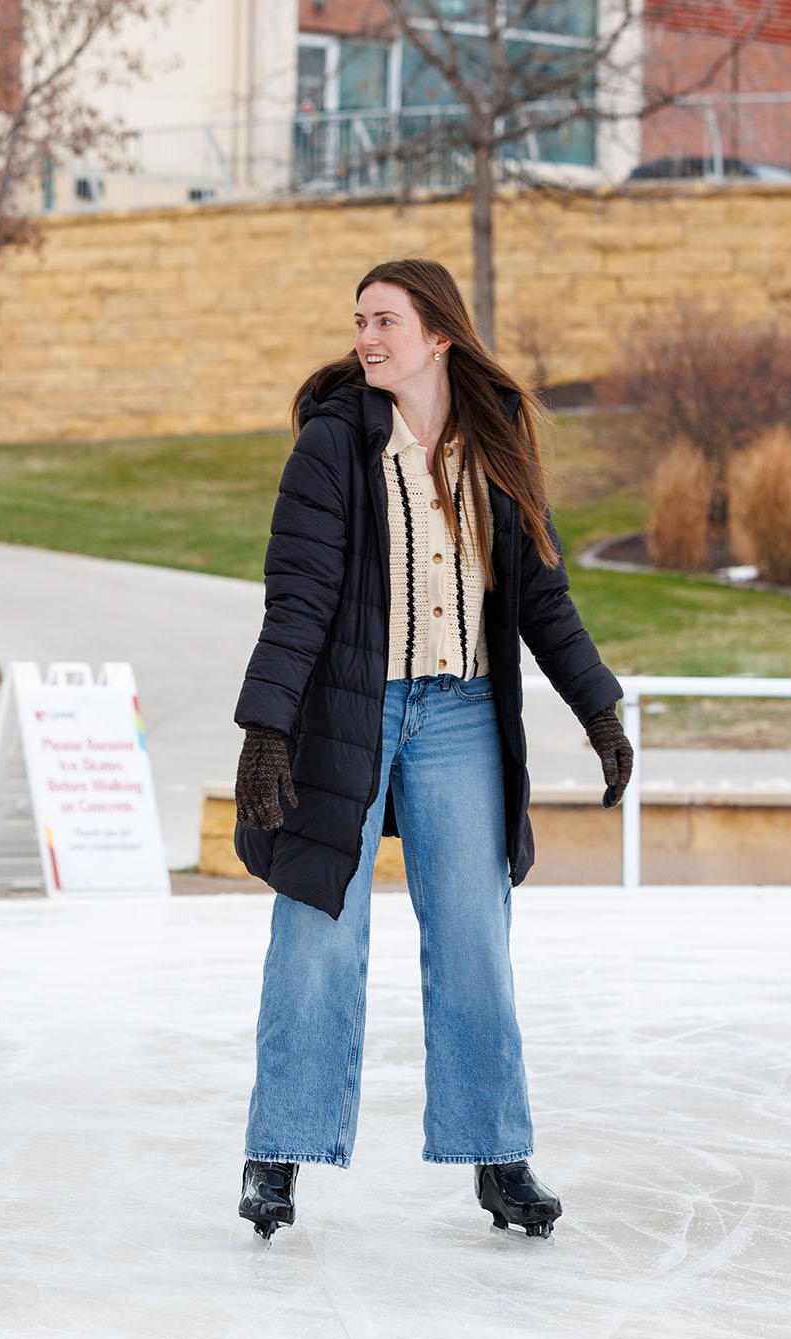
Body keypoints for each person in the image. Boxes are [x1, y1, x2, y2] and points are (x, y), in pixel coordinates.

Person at [229, 259, 632, 1242]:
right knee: (319, 931)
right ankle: (277, 1153)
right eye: (360, 321)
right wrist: (268, 726)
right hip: (351, 712)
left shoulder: (496, 446)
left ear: (438, 336)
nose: (368, 338)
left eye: (387, 321)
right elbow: (300, 599)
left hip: (461, 715)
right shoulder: (333, 447)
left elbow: (543, 598)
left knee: (474, 938)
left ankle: (498, 1159)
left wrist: (599, 711)